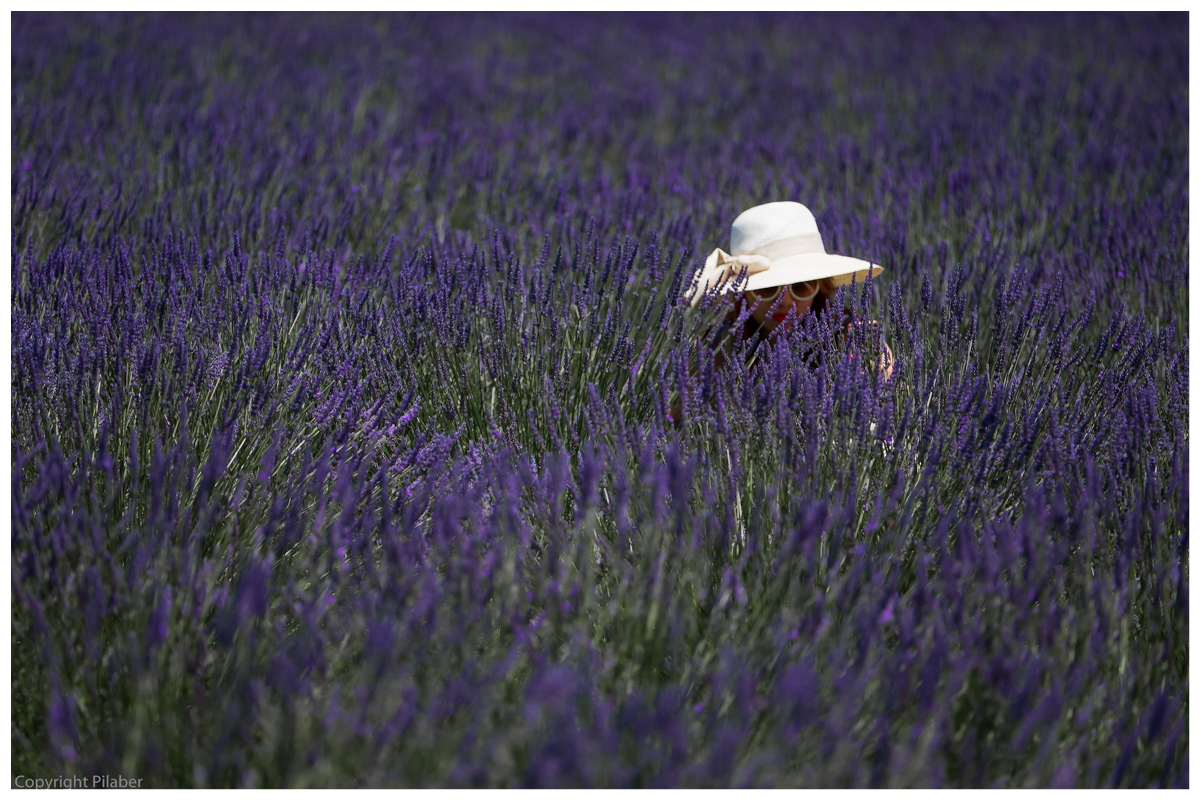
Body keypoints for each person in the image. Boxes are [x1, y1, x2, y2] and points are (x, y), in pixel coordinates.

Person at [670, 201, 893, 422]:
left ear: (820, 287)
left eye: (800, 286)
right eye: (767, 288)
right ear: (742, 293)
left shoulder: (857, 338)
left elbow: (885, 412)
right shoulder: (715, 344)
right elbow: (677, 427)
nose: (784, 301)